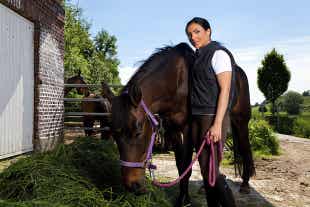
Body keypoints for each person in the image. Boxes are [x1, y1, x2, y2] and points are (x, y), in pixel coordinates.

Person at [186, 17, 237, 207]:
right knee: (206, 171)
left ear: (208, 31)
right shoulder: (199, 56)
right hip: (198, 118)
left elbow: (225, 90)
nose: (193, 37)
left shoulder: (218, 54)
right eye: (190, 34)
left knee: (212, 172)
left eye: (197, 31)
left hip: (212, 118)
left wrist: (217, 124)